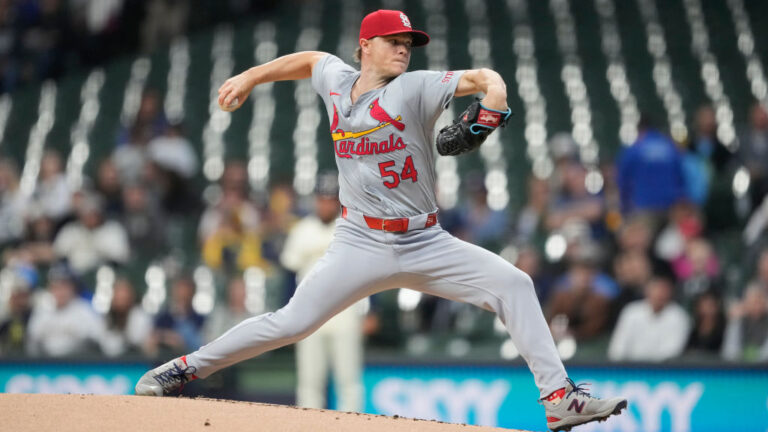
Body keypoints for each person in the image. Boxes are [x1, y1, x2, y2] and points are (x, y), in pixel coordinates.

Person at [135, 10, 626, 431]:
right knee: (291, 322)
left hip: (426, 241)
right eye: (394, 41)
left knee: (515, 284)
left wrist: (492, 106)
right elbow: (307, 60)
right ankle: (180, 369)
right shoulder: (336, 80)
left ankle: (559, 400)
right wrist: (250, 76)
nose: (404, 49)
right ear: (364, 46)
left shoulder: (413, 88)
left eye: (409, 42)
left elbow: (484, 78)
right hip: (359, 241)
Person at [280, 174, 370, 412]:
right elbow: (289, 276)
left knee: (349, 382)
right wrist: (288, 314)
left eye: (330, 199)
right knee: (309, 383)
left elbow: (371, 271)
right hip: (310, 315)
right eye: (322, 199)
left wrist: (374, 309)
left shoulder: (353, 228)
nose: (326, 204)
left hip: (345, 313)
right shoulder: (302, 230)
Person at [607, 277, 690, 362]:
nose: (659, 294)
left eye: (664, 290)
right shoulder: (631, 311)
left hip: (662, 370)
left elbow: (673, 352)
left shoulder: (679, 316)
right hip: (629, 369)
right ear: (647, 291)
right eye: (656, 289)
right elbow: (618, 347)